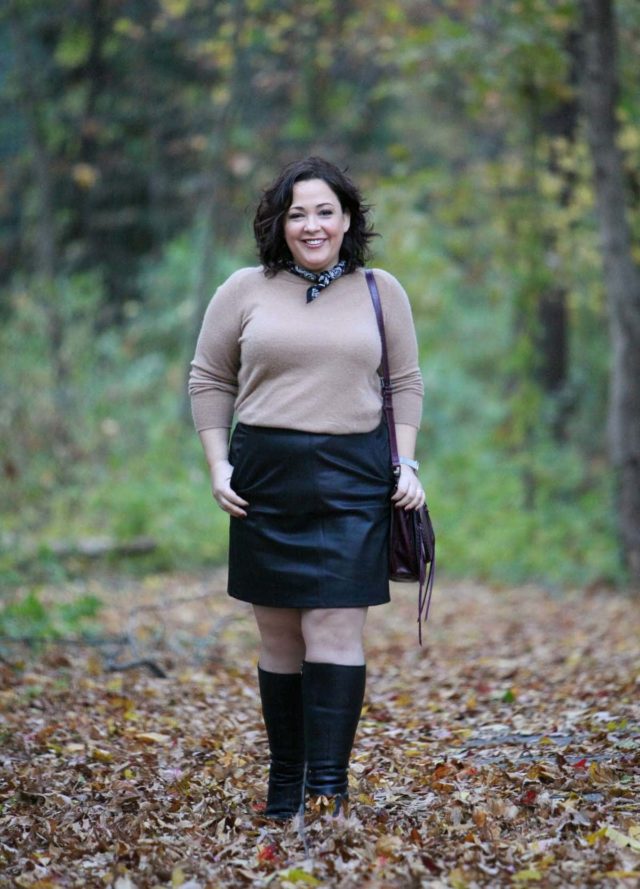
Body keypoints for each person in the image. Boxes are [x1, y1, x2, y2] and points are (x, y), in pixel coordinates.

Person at [188, 156, 424, 821]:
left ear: (348, 219)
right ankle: (284, 786)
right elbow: (209, 379)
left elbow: (405, 383)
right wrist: (217, 467)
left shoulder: (382, 290)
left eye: (324, 211)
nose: (311, 225)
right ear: (279, 223)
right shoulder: (243, 288)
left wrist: (405, 465)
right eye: (297, 213)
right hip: (265, 474)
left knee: (336, 628)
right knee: (281, 637)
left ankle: (328, 792)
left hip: (355, 477)